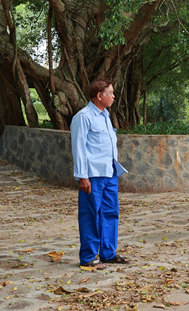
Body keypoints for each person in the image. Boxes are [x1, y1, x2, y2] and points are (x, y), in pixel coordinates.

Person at [71, 78, 129, 270]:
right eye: (110, 93)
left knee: (111, 213)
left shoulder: (105, 115)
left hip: (110, 172)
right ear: (99, 95)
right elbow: (79, 148)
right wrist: (82, 176)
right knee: (90, 214)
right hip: (93, 175)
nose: (113, 96)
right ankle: (88, 257)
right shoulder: (83, 116)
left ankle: (108, 253)